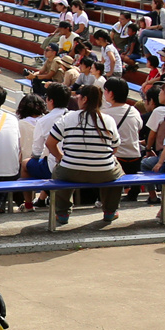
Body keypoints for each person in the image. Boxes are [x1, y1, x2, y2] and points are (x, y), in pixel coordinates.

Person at [48, 84, 122, 225]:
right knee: (117, 170)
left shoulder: (68, 117)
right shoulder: (108, 120)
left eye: (79, 95)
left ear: (85, 99)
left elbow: (50, 143)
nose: (77, 97)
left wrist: (60, 157)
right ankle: (110, 211)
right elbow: (115, 148)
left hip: (71, 170)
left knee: (58, 173)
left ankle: (62, 213)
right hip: (103, 171)